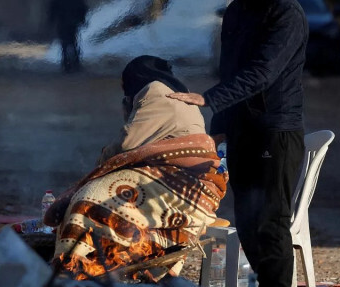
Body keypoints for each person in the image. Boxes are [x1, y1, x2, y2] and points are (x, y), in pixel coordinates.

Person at [168, 0, 308, 287]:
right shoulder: (235, 11)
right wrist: (218, 126)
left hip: (275, 132)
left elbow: (263, 72)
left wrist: (209, 99)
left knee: (270, 224)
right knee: (246, 222)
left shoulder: (285, 12)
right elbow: (229, 69)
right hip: (242, 132)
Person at [44, 55, 228, 282]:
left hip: (181, 183)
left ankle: (68, 265)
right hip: (194, 187)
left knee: (93, 195)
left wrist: (102, 160)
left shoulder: (153, 90)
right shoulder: (178, 92)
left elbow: (127, 144)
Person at [48, 0, 88, 73]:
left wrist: (51, 20)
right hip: (73, 23)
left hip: (62, 22)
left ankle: (66, 64)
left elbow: (53, 8)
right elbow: (82, 9)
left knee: (64, 44)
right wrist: (82, 20)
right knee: (74, 43)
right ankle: (76, 63)